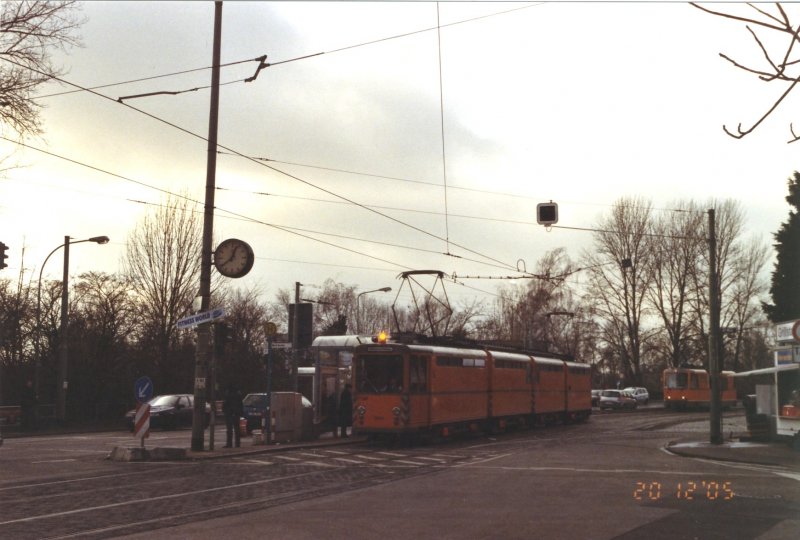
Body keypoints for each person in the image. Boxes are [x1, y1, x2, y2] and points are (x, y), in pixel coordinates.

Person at [222, 383, 244, 448]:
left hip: (229, 413)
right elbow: (240, 405)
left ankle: (229, 444)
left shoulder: (228, 395)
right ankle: (237, 444)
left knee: (229, 429)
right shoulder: (238, 394)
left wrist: (224, 410)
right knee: (236, 429)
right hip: (236, 413)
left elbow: (226, 403)